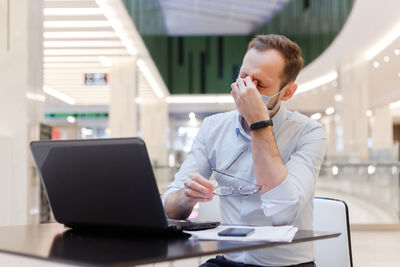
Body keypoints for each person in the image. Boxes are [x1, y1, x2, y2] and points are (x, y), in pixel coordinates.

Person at [162, 34, 327, 267]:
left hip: (286, 264)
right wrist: (185, 196)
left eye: (260, 84)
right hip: (229, 260)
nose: (246, 89)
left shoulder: (309, 133)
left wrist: (259, 122)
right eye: (243, 77)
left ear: (287, 92)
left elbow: (282, 212)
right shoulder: (213, 127)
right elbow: (169, 208)